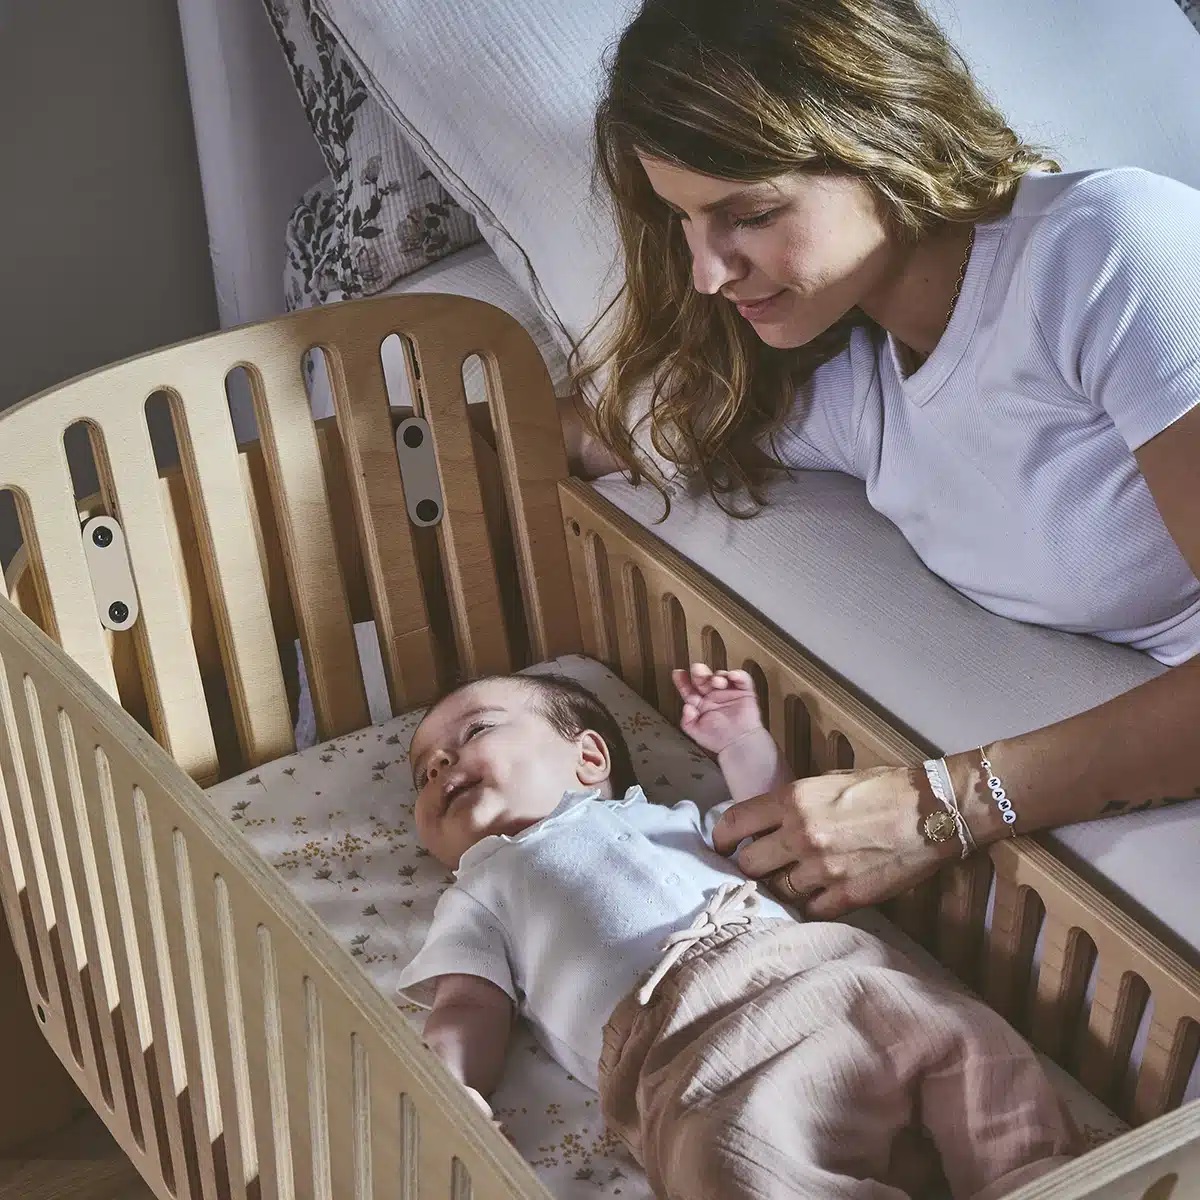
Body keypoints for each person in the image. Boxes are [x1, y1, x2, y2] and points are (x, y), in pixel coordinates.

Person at [552, 0, 1200, 920]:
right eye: (684, 224)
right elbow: (595, 431)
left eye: (751, 213)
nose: (707, 272)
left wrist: (935, 805)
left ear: (881, 134)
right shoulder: (857, 392)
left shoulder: (1109, 254)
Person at [399, 667, 1075, 1199]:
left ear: (589, 757)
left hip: (828, 977)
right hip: (695, 1054)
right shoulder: (479, 889)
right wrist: (450, 1084)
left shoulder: (677, 821)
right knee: (729, 1159)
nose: (440, 767)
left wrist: (742, 744)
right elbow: (467, 1005)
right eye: (425, 771)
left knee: (966, 1038)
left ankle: (1036, 1179)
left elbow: (780, 827)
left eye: (473, 732)